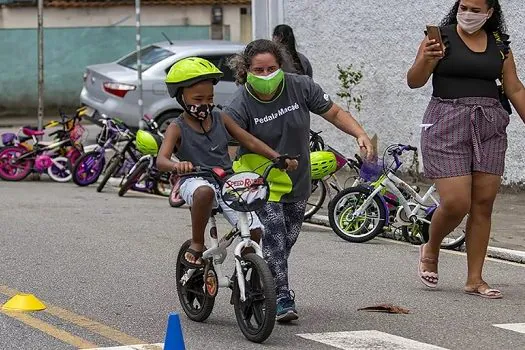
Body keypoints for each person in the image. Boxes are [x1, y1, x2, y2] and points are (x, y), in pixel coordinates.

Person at [225, 39, 374, 322]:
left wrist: (359, 134)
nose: (266, 75)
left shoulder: (301, 86)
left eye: (271, 68)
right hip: (260, 179)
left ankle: (246, 274)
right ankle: (281, 297)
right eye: (258, 70)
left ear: (280, 66)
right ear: (247, 71)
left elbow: (334, 112)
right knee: (275, 235)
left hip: (296, 179)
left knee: (286, 240)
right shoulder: (241, 102)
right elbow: (230, 143)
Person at [407, 0, 524, 298]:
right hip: (446, 123)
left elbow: (514, 88)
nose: (468, 14)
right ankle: (431, 246)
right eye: (464, 7)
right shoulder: (440, 37)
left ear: (490, 13)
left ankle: (475, 279)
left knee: (483, 203)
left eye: (475, 9)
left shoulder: (500, 44)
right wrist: (427, 59)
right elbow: (414, 80)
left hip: (489, 125)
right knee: (458, 202)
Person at [157, 57, 297, 268]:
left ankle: (250, 276)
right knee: (205, 192)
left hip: (225, 180)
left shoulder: (220, 117)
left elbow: (248, 139)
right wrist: (178, 165)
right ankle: (197, 242)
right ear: (181, 97)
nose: (204, 104)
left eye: (209, 98)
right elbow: (161, 160)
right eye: (197, 99)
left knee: (255, 230)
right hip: (194, 180)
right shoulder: (176, 127)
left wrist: (277, 157)